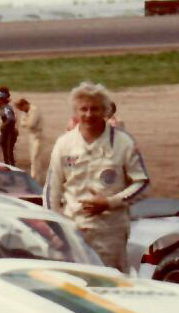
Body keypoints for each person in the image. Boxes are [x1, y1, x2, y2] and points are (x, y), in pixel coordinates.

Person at [45, 81, 149, 272]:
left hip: (110, 233)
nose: (88, 114)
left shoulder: (124, 143)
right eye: (83, 109)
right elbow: (52, 189)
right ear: (75, 111)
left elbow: (142, 184)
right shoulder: (64, 143)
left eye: (95, 109)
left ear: (105, 111)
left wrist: (110, 202)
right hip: (74, 230)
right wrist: (55, 228)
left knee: (108, 287)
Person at [16, 97, 47, 184]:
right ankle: (38, 179)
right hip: (32, 136)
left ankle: (35, 179)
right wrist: (26, 122)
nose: (22, 110)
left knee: (35, 157)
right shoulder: (26, 112)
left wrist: (26, 122)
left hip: (38, 136)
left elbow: (31, 124)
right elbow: (22, 123)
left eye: (21, 108)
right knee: (34, 159)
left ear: (25, 104)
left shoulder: (34, 110)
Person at [0, 90, 18, 166]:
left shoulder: (6, 108)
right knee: (5, 151)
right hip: (6, 133)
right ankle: (8, 166)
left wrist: (4, 125)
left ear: (2, 100)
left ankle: (11, 167)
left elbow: (11, 119)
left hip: (9, 133)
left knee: (8, 152)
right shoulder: (2, 108)